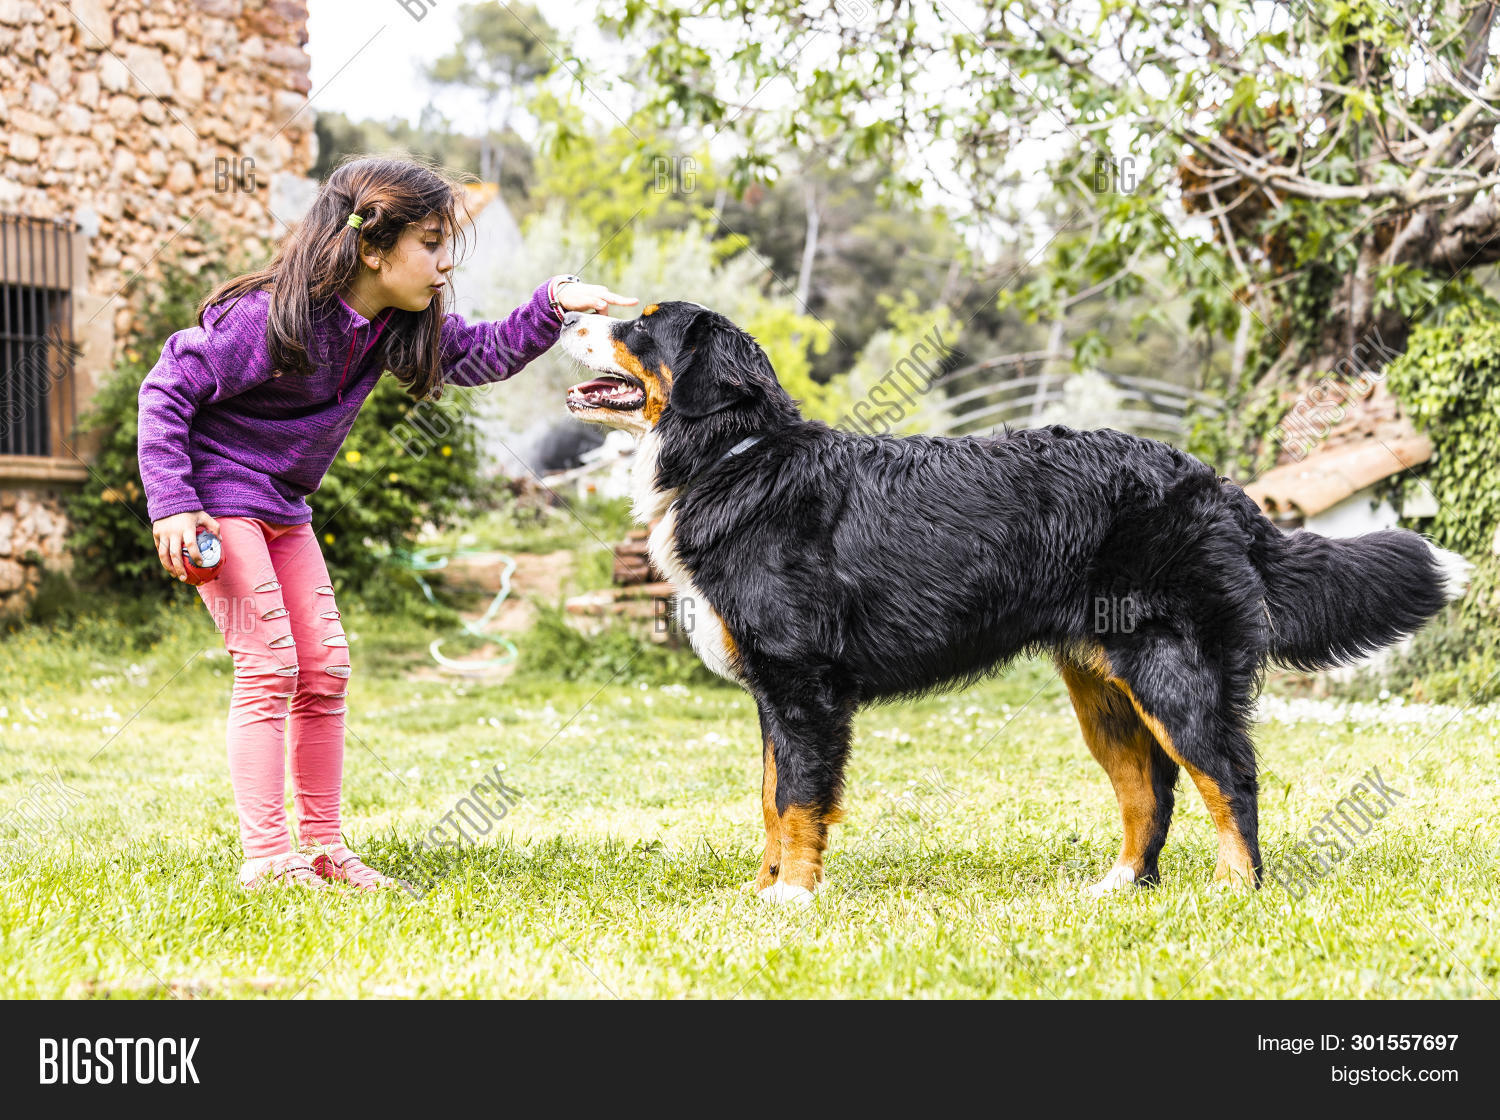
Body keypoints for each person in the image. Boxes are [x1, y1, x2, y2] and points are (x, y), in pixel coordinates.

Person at [137, 155, 635, 891]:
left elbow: (482, 353)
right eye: (430, 244)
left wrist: (552, 301)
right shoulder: (270, 317)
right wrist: (174, 502)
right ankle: (268, 859)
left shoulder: (392, 326)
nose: (444, 264)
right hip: (218, 499)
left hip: (284, 508)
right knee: (269, 666)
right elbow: (165, 390)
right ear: (372, 248)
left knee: (325, 669)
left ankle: (323, 850)